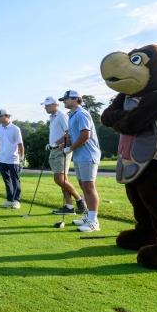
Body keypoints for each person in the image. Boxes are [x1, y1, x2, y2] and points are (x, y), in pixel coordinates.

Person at [59, 91, 102, 232]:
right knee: (83, 186)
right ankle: (88, 217)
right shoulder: (72, 116)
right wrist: (64, 144)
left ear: (76, 99)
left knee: (89, 187)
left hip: (88, 155)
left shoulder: (81, 113)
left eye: (66, 99)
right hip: (79, 155)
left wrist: (70, 148)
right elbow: (74, 136)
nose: (64, 101)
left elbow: (85, 135)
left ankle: (93, 222)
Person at [40, 96, 85, 215]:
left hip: (62, 150)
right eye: (45, 105)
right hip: (54, 150)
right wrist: (50, 144)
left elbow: (68, 133)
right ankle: (69, 206)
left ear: (55, 105)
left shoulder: (62, 115)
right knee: (62, 180)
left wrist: (55, 143)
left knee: (59, 179)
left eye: (48, 105)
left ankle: (79, 199)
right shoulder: (52, 117)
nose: (45, 107)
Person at [0, 108, 25, 209]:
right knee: (6, 180)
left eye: (1, 116)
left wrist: (22, 157)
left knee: (15, 180)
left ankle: (16, 200)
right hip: (1, 158)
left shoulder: (15, 128)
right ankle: (9, 199)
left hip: (13, 159)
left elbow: (20, 144)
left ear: (7, 116)